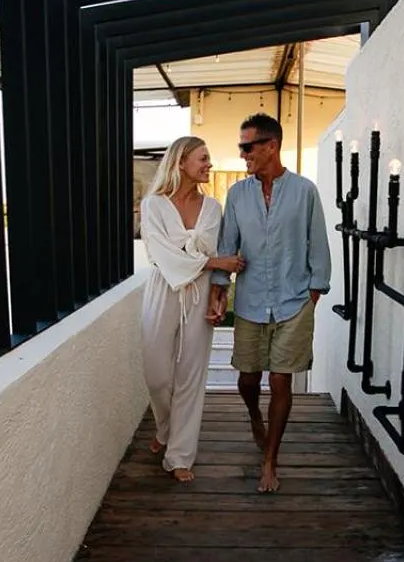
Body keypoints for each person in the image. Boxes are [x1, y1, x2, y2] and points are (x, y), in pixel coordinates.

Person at [209, 113, 332, 493]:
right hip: (250, 302)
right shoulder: (237, 195)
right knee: (248, 379)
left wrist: (315, 291)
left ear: (271, 146)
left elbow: (319, 243)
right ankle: (253, 415)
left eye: (248, 146)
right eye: (241, 147)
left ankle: (270, 460)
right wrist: (219, 288)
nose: (243, 154)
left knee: (281, 379)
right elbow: (227, 244)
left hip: (295, 301)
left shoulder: (305, 191)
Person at [139, 136, 244, 483]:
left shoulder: (213, 208)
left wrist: (218, 293)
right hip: (163, 288)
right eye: (203, 158)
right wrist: (216, 262)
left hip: (199, 291)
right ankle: (166, 428)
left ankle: (180, 455)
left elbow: (212, 254)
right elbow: (162, 254)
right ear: (181, 162)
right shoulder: (154, 205)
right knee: (157, 374)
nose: (209, 164)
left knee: (191, 375)